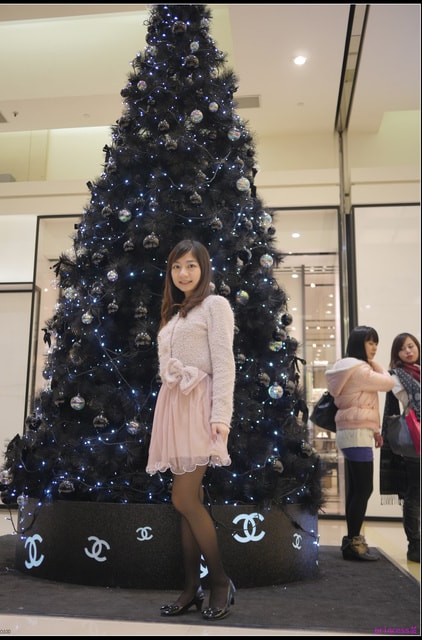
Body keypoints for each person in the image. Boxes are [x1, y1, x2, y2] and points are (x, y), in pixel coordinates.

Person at [146, 239, 236, 621]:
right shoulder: (174, 314)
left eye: (191, 266)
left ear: (204, 268)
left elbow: (225, 363)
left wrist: (221, 416)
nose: (183, 273)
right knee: (188, 503)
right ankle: (190, 588)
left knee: (183, 499)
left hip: (199, 406)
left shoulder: (215, 306)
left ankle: (220, 581)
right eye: (177, 267)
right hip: (174, 408)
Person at [325, 326, 394, 561]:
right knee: (364, 489)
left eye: (376, 343)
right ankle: (353, 541)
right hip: (355, 434)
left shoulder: (348, 369)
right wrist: (375, 365)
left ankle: (352, 541)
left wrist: (374, 430)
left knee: (357, 489)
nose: (374, 348)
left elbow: (365, 401)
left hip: (354, 432)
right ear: (358, 344)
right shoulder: (360, 370)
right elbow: (388, 383)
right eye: (370, 342)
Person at [380, 333, 420, 563]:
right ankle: (415, 545)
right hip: (414, 440)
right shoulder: (395, 377)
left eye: (411, 346)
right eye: (403, 348)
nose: (408, 351)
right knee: (415, 493)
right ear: (397, 354)